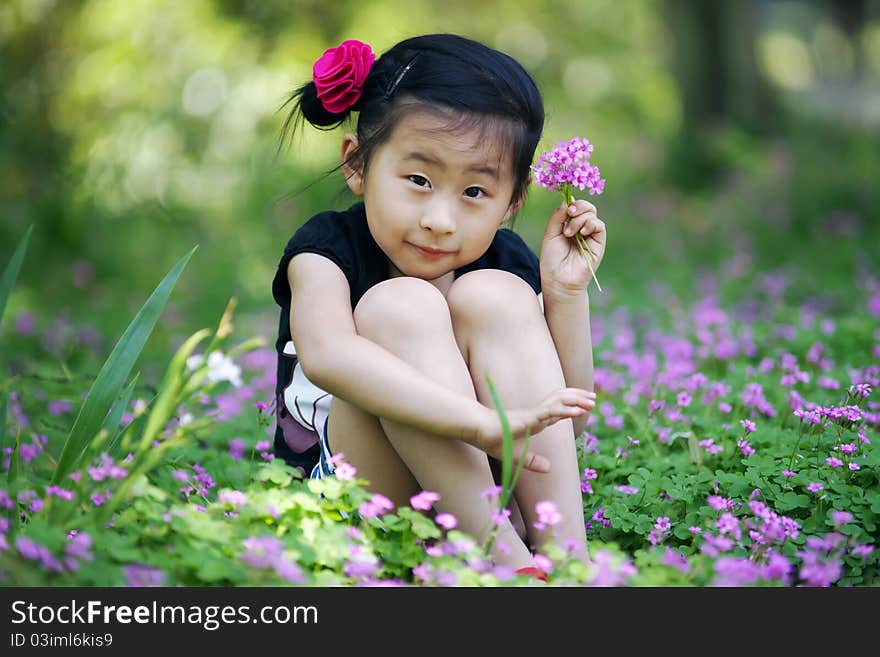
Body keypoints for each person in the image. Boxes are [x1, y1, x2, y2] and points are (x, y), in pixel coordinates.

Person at [271, 33, 606, 575]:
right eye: (419, 180)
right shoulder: (324, 251)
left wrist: (564, 294)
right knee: (398, 306)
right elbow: (328, 355)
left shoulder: (504, 263)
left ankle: (568, 565)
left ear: (512, 200)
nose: (440, 220)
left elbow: (562, 420)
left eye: (475, 192)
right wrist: (475, 423)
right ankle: (509, 571)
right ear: (358, 165)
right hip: (357, 498)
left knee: (495, 292)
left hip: (474, 495)